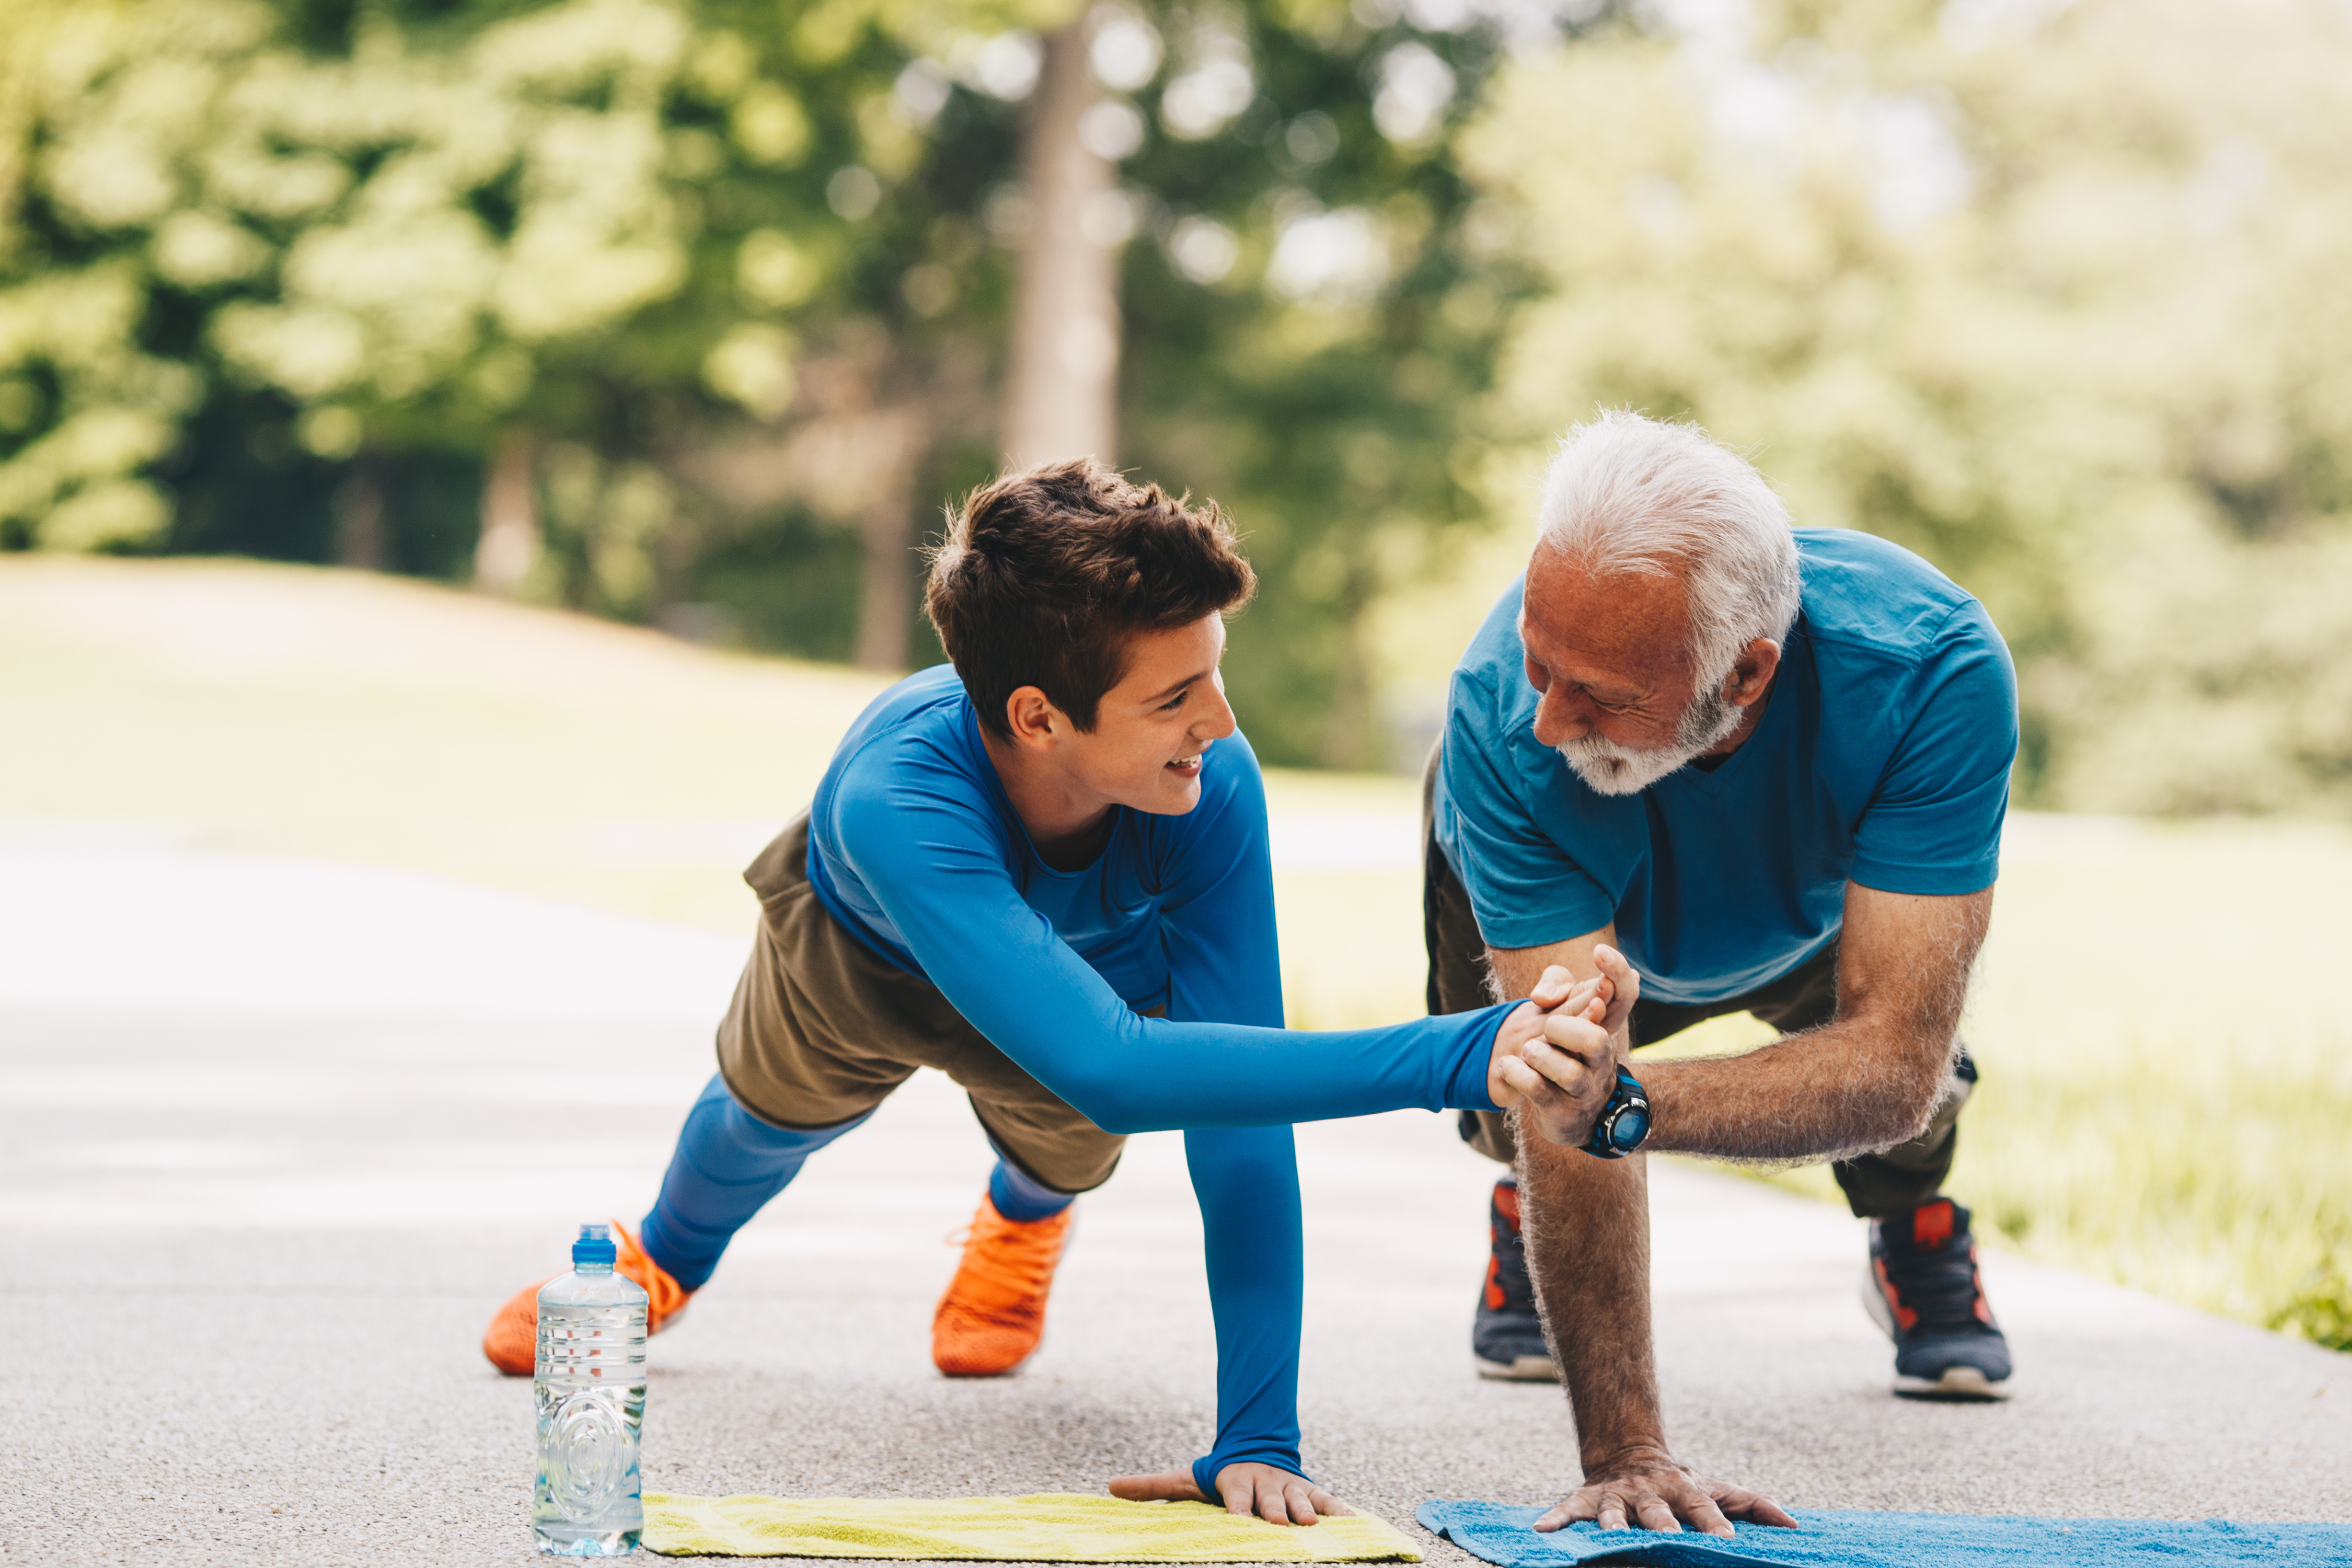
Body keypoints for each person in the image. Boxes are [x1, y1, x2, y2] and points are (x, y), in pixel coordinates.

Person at [479, 458, 1680, 1529]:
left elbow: (1228, 1113)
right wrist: (1456, 1053)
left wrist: (1257, 1431)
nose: (1219, 723)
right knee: (767, 1115)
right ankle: (662, 1263)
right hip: (863, 963)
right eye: (1173, 699)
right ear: (1038, 718)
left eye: (1213, 676)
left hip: (1086, 976)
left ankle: (1025, 1214)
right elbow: (1115, 1058)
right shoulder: (897, 797)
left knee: (1076, 1133)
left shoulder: (1207, 783)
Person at [1427, 410, 2015, 1535]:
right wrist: (1628, 1453)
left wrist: (1621, 1106)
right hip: (1580, 904)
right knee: (1511, 1106)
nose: (1548, 720)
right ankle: (1532, 1214)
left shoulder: (1930, 670)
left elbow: (1890, 1060)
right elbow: (1573, 1077)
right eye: (1540, 662)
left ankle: (1914, 1236)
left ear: (1747, 673)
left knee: (1913, 1096)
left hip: (1807, 917)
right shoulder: (1501, 722)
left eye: (1595, 692)